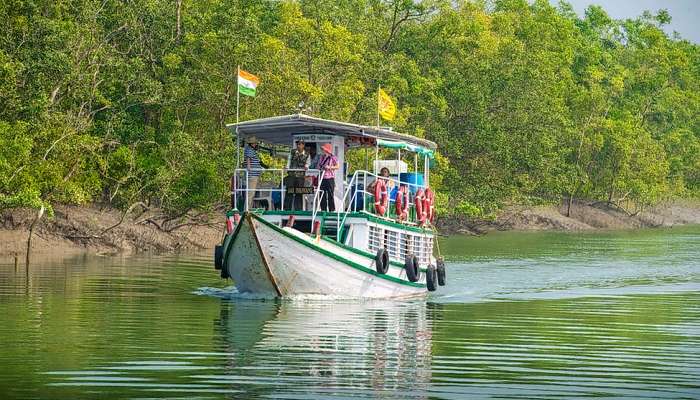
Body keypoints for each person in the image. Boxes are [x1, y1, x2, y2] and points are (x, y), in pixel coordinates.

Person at [284, 140, 310, 210]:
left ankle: (298, 209)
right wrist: (287, 167)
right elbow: (289, 161)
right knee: (289, 191)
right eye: (298, 144)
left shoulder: (307, 154)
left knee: (299, 192)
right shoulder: (292, 152)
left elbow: (308, 162)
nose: (299, 146)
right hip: (291, 175)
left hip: (300, 176)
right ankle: (287, 208)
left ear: (303, 145)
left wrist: (306, 166)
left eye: (301, 144)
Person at [318, 143, 339, 211]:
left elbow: (337, 166)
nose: (322, 150)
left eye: (323, 149)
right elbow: (319, 166)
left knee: (330, 194)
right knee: (322, 193)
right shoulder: (322, 157)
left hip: (330, 178)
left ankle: (331, 209)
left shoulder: (333, 157)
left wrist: (329, 167)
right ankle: (323, 209)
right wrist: (320, 167)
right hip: (322, 178)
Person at [243, 136, 263, 210]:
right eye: (255, 143)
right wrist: (249, 167)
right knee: (250, 194)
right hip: (252, 175)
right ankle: (247, 210)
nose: (255, 145)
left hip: (254, 175)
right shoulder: (249, 150)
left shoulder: (251, 149)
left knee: (252, 193)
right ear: (252, 143)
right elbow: (248, 158)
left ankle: (249, 209)